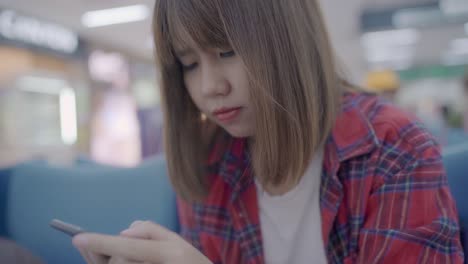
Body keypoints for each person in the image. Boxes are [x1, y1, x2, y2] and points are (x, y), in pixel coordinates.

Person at [72, 0, 464, 263]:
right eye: (189, 63)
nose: (210, 86)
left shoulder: (393, 147)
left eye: (226, 51)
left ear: (288, 40)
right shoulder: (211, 159)